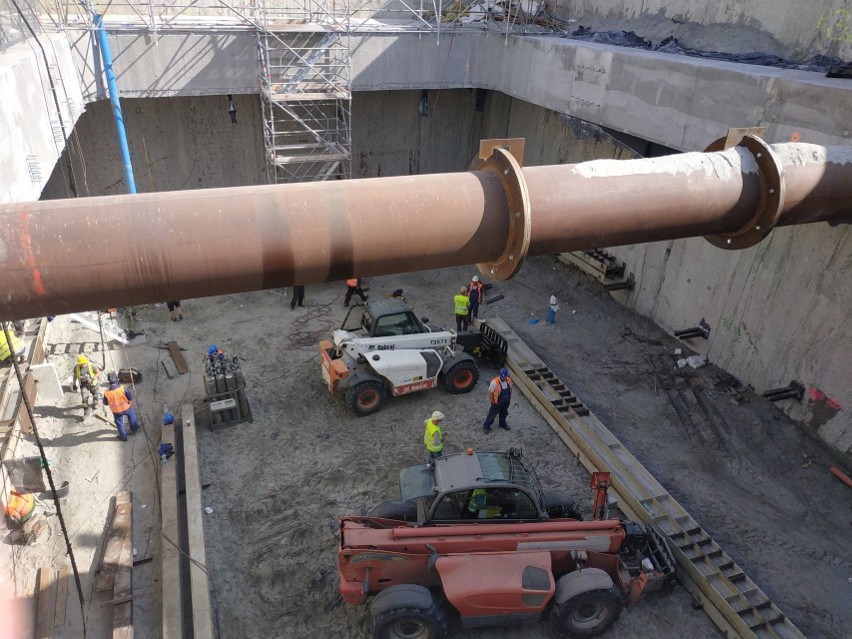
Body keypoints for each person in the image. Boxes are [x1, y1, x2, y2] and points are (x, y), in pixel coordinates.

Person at [103, 372, 139, 441]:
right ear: (117, 379)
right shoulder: (123, 388)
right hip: (126, 407)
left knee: (120, 424)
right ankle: (134, 428)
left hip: (116, 411)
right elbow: (130, 397)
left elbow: (106, 403)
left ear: (109, 381)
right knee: (132, 416)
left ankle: (123, 437)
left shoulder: (106, 393)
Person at [483, 367, 512, 433]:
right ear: (499, 375)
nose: (503, 378)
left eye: (504, 377)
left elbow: (510, 389)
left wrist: (509, 398)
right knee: (492, 415)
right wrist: (493, 401)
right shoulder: (494, 382)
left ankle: (502, 424)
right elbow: (490, 393)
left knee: (504, 413)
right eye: (502, 377)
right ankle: (486, 426)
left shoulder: (509, 380)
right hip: (497, 402)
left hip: (506, 402)